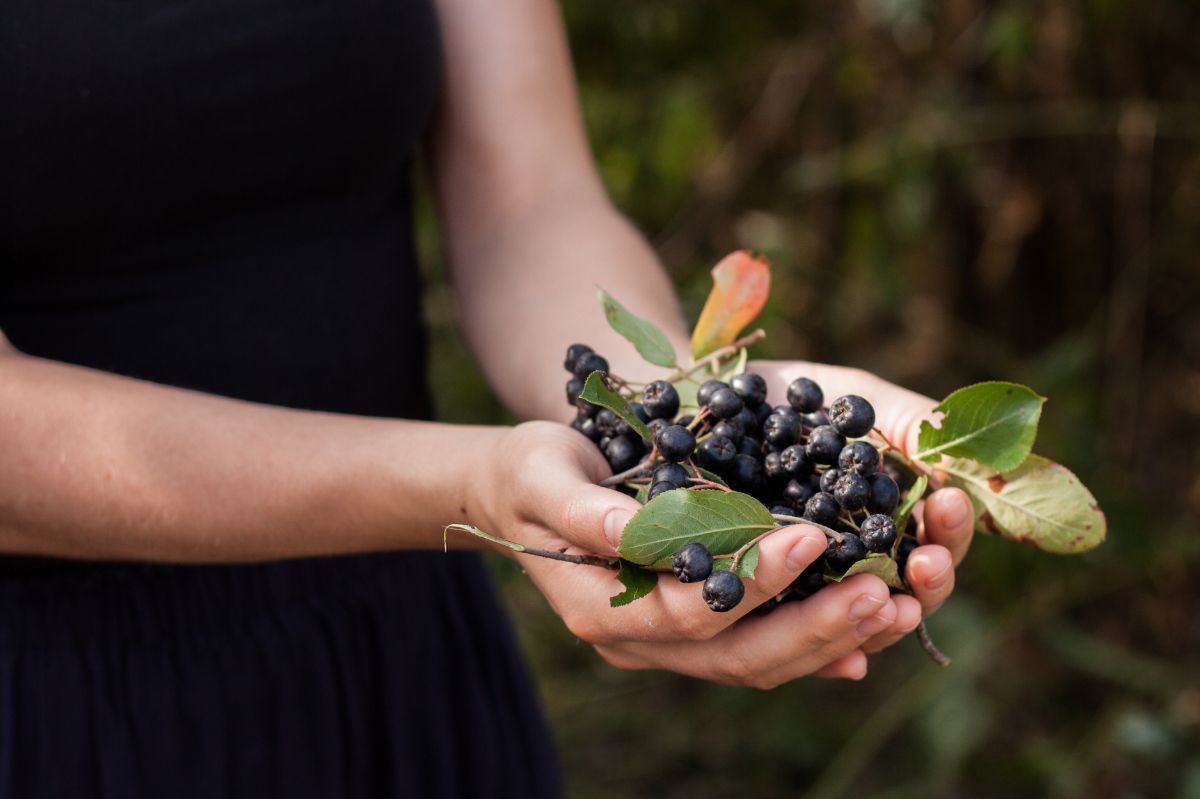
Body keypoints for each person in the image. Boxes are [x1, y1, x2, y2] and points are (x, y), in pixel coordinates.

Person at [0, 0, 974, 795]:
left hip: (397, 640)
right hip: (54, 694)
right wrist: (465, 485)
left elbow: (530, 201)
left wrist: (682, 411)